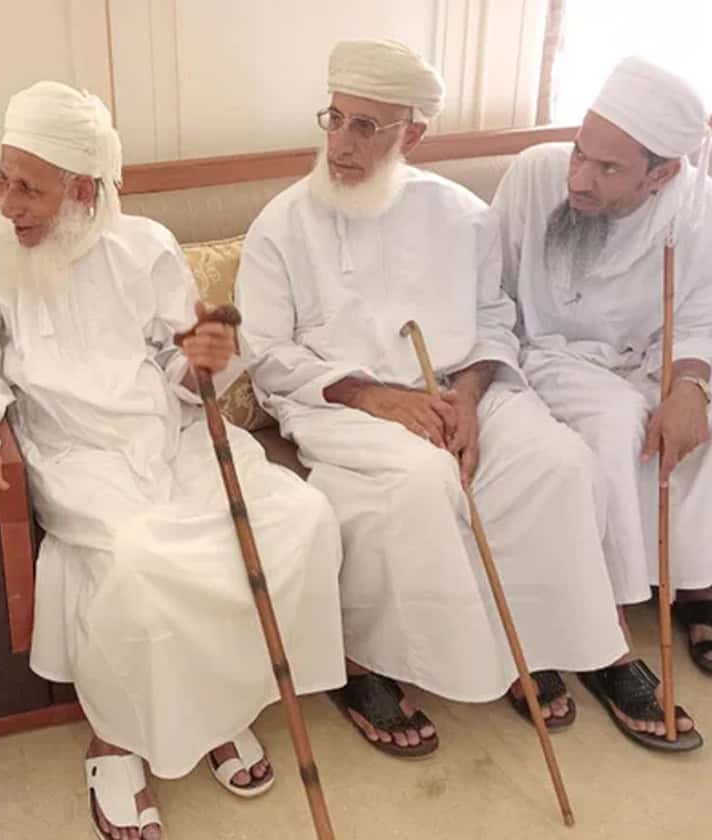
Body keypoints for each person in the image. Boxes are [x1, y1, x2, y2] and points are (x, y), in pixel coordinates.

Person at [0, 80, 345, 839]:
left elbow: (181, 364)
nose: (9, 204)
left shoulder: (146, 245)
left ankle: (221, 707)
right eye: (5, 180)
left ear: (83, 191)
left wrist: (204, 361)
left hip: (169, 436)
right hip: (72, 450)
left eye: (29, 188)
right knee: (141, 560)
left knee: (301, 518)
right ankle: (115, 739)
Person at [237, 40, 628, 758]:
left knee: (557, 464)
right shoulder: (281, 224)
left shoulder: (462, 214)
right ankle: (367, 665)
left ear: (411, 135)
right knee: (422, 481)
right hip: (342, 404)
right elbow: (266, 353)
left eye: (366, 126)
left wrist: (470, 399)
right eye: (335, 119)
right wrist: (378, 397)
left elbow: (493, 322)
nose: (341, 144)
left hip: (460, 388)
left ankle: (528, 641)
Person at [492, 55, 712, 751]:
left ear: (661, 174)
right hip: (546, 355)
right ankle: (608, 635)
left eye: (608, 169)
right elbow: (488, 289)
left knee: (692, 421)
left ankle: (696, 584)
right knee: (618, 425)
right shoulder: (535, 174)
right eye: (580, 154)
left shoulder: (698, 208)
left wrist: (691, 386)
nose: (580, 179)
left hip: (649, 362)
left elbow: (701, 317)